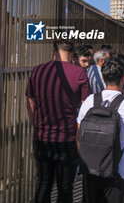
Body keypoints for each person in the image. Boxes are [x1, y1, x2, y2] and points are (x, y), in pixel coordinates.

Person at [26, 39, 91, 203]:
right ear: (72, 55)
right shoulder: (78, 73)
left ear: (53, 52)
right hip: (67, 137)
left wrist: (36, 124)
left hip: (42, 136)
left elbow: (30, 101)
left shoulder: (38, 71)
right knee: (65, 187)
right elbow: (86, 106)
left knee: (43, 182)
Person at [77, 58, 124, 203]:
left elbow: (79, 133)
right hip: (118, 172)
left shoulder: (89, 101)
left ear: (103, 77)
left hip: (90, 169)